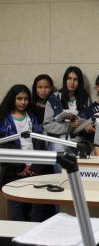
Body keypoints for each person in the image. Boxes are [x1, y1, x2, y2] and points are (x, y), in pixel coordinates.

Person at [0, 84, 54, 221]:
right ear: (12, 99)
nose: (23, 102)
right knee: (17, 205)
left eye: (25, 99)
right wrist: (21, 166)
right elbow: (5, 146)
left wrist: (35, 166)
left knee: (38, 203)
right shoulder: (3, 119)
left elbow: (41, 142)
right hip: (14, 169)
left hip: (35, 167)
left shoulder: (32, 116)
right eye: (19, 98)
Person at [43, 66, 91, 162]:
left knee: (83, 160)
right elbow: (47, 124)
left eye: (75, 79)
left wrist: (86, 127)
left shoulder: (85, 99)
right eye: (69, 78)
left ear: (79, 82)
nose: (72, 82)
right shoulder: (54, 98)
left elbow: (88, 121)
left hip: (79, 141)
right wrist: (69, 126)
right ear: (65, 80)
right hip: (58, 140)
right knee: (61, 157)